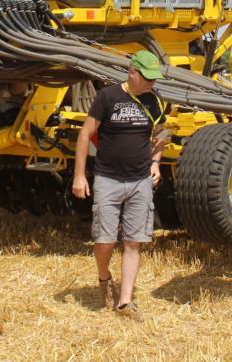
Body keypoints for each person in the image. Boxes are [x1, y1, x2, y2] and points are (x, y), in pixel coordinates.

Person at [72, 50, 166, 321]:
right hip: (108, 178)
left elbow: (161, 132)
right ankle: (104, 277)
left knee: (134, 242)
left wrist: (156, 162)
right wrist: (80, 176)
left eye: (154, 78)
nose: (152, 83)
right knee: (105, 240)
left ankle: (125, 302)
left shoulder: (155, 100)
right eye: (147, 78)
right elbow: (85, 134)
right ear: (132, 73)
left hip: (140, 181)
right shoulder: (108, 97)